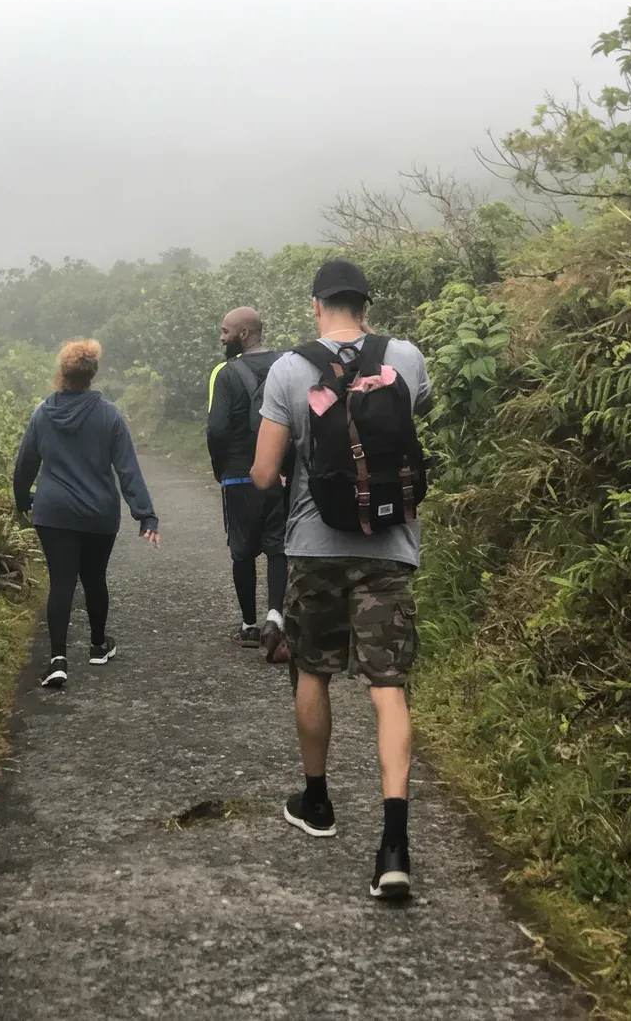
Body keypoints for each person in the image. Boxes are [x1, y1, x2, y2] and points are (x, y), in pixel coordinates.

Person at [251, 260, 432, 899]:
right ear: (365, 303)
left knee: (313, 670)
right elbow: (411, 418)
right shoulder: (405, 357)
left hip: (316, 546)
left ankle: (318, 802)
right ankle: (394, 846)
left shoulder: (289, 369)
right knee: (389, 687)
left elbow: (264, 475)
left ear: (316, 305)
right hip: (391, 549)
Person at [13, 339, 160, 689]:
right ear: (92, 374)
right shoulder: (110, 416)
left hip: (53, 513)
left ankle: (58, 660)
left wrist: (22, 500)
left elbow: (25, 465)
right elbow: (127, 470)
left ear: (62, 372)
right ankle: (97, 646)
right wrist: (145, 515)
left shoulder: (42, 414)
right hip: (98, 513)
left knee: (61, 582)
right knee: (94, 578)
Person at [207, 306, 288, 659]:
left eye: (225, 331)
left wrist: (221, 468)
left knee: (242, 551)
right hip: (280, 474)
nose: (221, 338)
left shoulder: (226, 374)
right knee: (278, 547)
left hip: (240, 474)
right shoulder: (286, 365)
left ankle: (249, 625)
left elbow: (216, 429)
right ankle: (276, 618)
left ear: (243, 334)